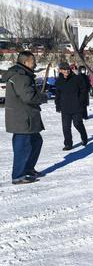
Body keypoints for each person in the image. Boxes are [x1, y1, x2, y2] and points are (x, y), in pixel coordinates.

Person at [4, 51, 47, 185]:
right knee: (22, 147)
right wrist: (43, 97)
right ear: (25, 62)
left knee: (36, 141)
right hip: (23, 118)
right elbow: (28, 97)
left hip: (26, 116)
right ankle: (18, 175)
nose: (35, 64)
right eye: (33, 61)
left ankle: (28, 169)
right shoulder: (21, 76)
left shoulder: (22, 74)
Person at [55, 62, 88, 151]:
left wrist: (81, 101)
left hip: (76, 106)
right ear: (60, 70)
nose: (67, 71)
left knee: (77, 124)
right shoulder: (59, 81)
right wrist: (57, 105)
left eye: (68, 69)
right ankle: (68, 144)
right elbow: (57, 94)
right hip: (65, 107)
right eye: (64, 69)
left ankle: (84, 137)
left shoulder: (77, 78)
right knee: (66, 127)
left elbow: (84, 90)